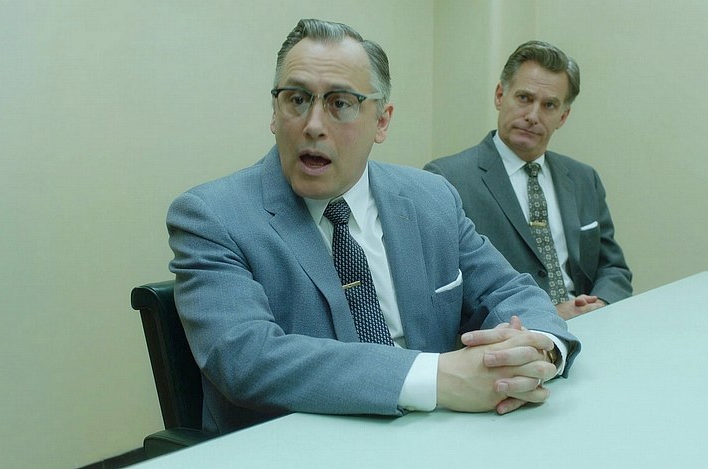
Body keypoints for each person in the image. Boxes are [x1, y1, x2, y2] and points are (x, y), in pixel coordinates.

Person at [167, 19, 581, 435]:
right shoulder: (212, 216)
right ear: (275, 112)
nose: (313, 124)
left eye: (340, 103)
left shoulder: (431, 197)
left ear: (382, 121)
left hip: (441, 434)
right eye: (297, 99)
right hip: (302, 444)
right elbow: (246, 358)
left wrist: (539, 352)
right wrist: (438, 379)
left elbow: (509, 290)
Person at [425, 40, 632, 320]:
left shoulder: (584, 179)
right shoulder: (446, 179)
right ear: (500, 96)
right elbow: (443, 293)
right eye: (524, 98)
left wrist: (600, 306)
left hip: (591, 325)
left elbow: (613, 269)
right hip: (508, 333)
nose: (533, 116)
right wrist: (545, 315)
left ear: (563, 116)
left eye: (549, 105)